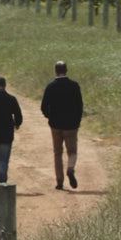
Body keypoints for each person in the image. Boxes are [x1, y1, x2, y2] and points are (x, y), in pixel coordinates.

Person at [40, 60, 83, 190]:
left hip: (56, 125)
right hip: (71, 125)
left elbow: (43, 106)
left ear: (55, 71)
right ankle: (70, 168)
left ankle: (59, 181)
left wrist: (50, 117)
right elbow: (80, 106)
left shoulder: (50, 86)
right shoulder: (74, 86)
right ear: (66, 71)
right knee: (72, 151)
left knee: (57, 153)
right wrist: (77, 120)